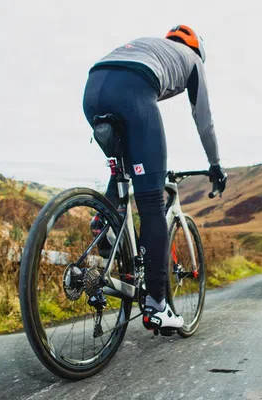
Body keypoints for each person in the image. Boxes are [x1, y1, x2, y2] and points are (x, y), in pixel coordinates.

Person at [82, 25, 227, 331]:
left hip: (94, 88)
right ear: (197, 49)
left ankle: (106, 219)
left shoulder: (150, 46)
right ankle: (157, 307)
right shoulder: (193, 60)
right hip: (132, 90)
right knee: (151, 203)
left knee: (123, 171)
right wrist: (215, 164)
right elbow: (205, 121)